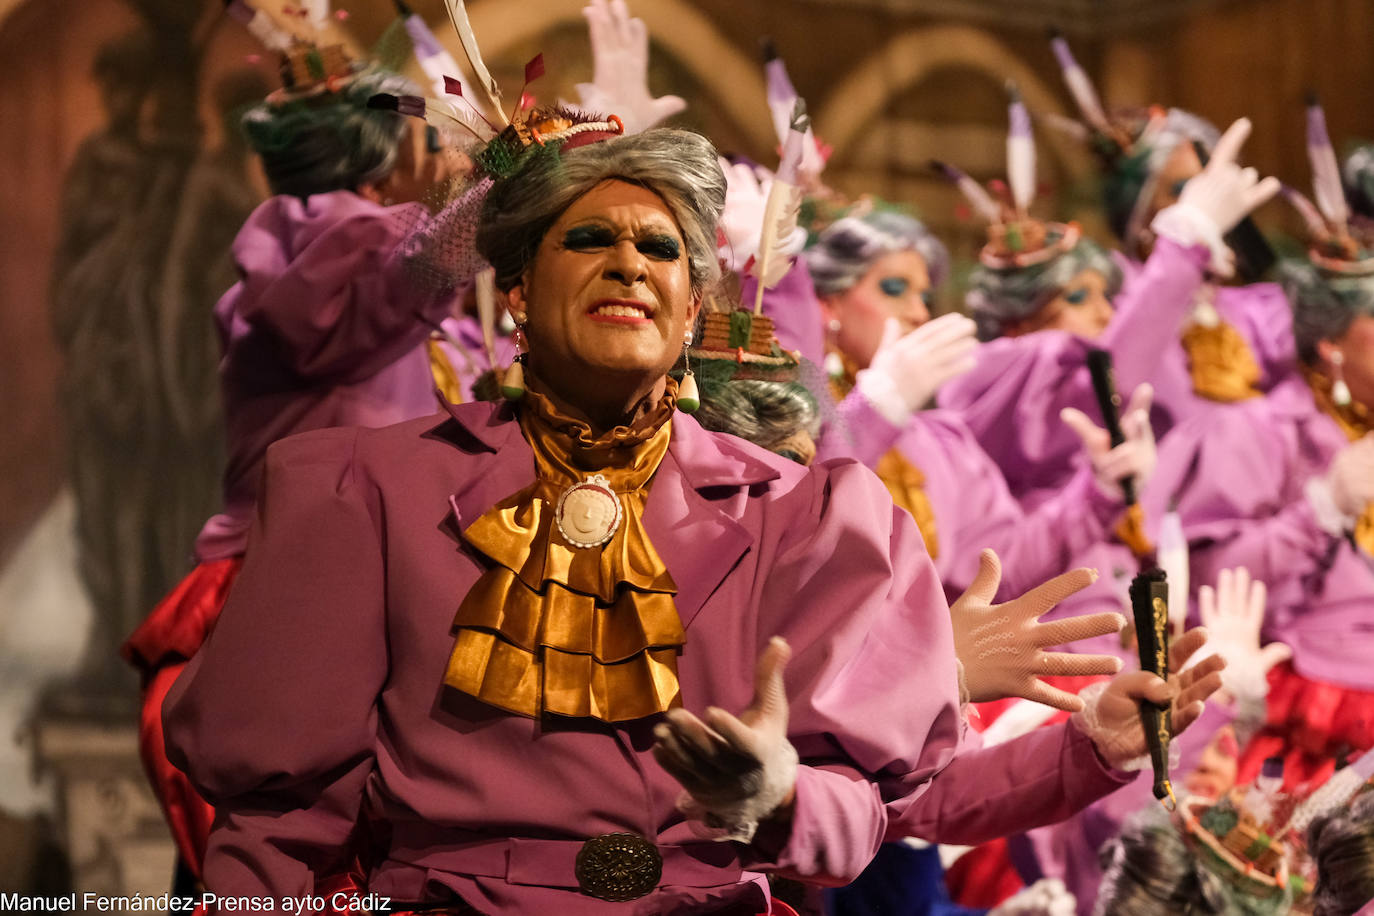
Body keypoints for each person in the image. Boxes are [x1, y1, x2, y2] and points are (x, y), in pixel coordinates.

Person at [163, 109, 1225, 914]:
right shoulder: (369, 492)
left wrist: (778, 796)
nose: (630, 259)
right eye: (591, 240)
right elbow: (276, 826)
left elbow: (882, 803)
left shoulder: (807, 518)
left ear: (689, 315)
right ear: (520, 291)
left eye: (663, 247)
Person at [121, 35, 463, 880]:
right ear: (384, 156)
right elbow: (392, 286)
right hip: (306, 592)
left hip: (295, 584)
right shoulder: (338, 245)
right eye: (420, 133)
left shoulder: (304, 259)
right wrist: (483, 211)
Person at [1143, 163, 1374, 793]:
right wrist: (1322, 509)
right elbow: (1213, 580)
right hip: (1296, 733)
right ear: (1331, 343)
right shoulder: (1257, 431)